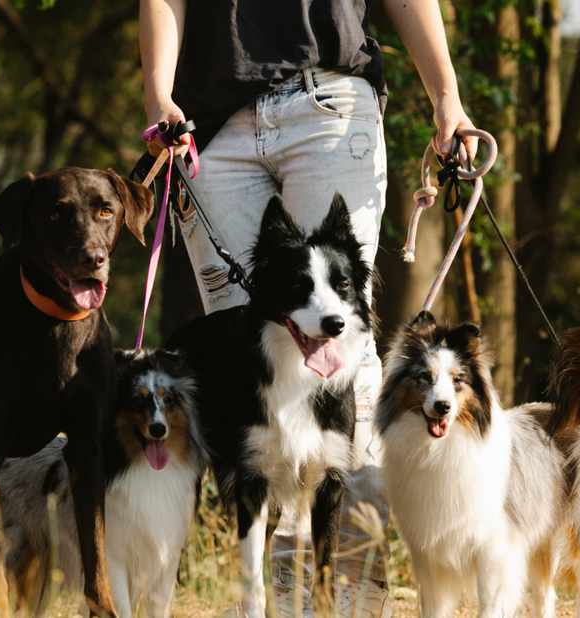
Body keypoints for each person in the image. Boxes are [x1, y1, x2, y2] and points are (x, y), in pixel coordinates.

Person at [139, 1, 479, 617]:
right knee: (251, 368)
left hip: (329, 105)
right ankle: (284, 598)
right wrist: (157, 95)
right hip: (209, 130)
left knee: (346, 356)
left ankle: (350, 592)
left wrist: (445, 98)